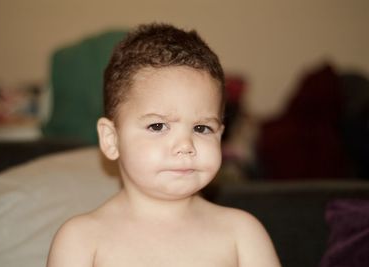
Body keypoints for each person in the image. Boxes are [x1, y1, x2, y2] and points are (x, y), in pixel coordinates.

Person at [47, 23, 281, 267]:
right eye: (157, 126)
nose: (185, 145)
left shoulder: (242, 234)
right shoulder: (82, 240)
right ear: (111, 139)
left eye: (202, 128)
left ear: (220, 136)